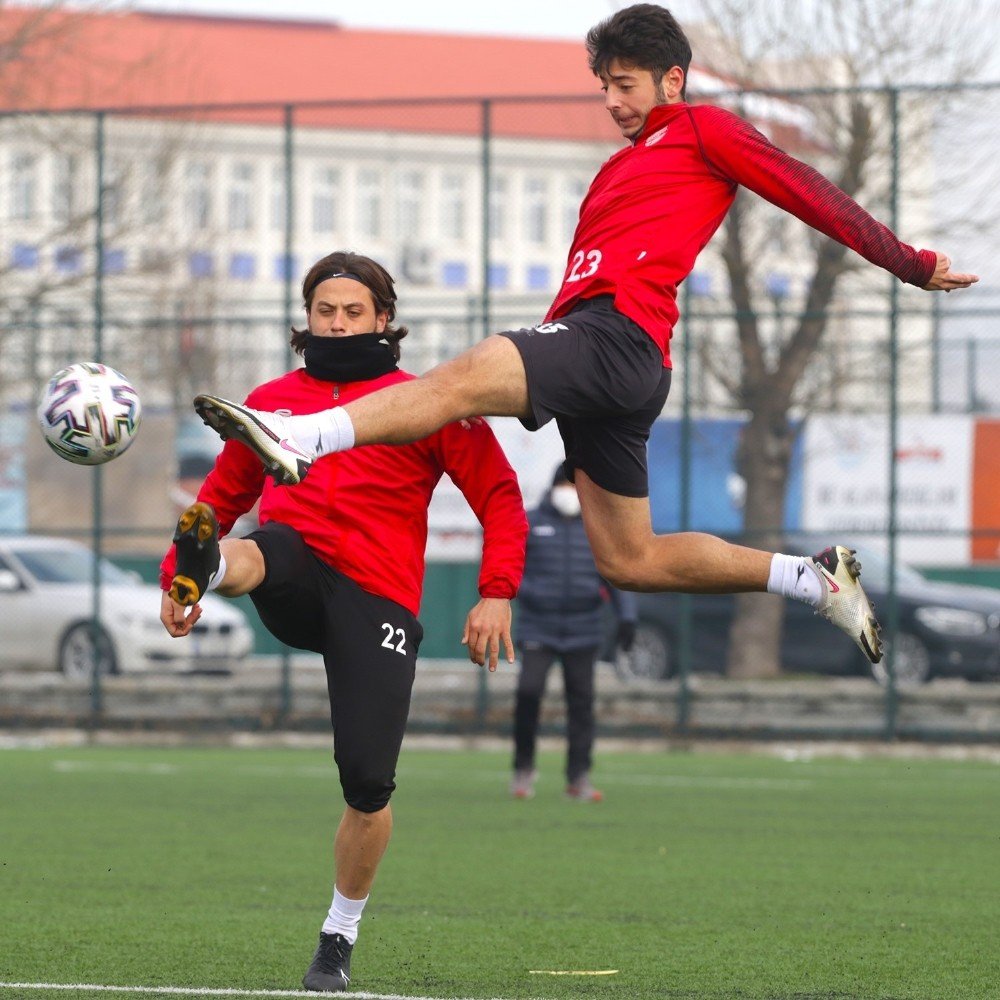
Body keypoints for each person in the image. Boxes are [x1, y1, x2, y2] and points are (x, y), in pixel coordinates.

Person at [190, 4, 979, 671]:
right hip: (605, 355)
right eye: (604, 84)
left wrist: (907, 263)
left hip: (617, 338)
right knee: (629, 561)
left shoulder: (704, 130)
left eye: (625, 83)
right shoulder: (613, 174)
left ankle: (301, 436)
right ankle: (812, 580)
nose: (611, 98)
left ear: (672, 79)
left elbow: (808, 192)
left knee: (455, 381)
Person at [159, 251, 527, 993]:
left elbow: (500, 494)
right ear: (306, 317)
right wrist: (179, 577)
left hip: (377, 604)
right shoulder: (270, 400)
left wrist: (496, 590)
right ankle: (213, 571)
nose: (337, 322)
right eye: (325, 310)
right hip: (292, 573)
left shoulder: (424, 401)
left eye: (353, 311)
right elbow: (223, 493)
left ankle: (337, 938)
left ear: (383, 319)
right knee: (270, 548)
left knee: (367, 784)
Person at [511, 466, 637, 803]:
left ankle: (578, 776)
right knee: (528, 692)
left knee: (581, 704)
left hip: (584, 627)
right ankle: (523, 767)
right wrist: (532, 592)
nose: (570, 491)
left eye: (575, 484)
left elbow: (616, 573)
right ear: (553, 486)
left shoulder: (598, 526)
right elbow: (510, 566)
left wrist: (627, 616)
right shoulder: (531, 522)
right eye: (565, 484)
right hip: (538, 624)